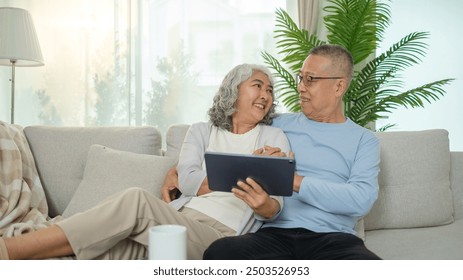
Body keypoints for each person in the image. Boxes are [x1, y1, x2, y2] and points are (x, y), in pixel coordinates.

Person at [0, 63, 290, 260]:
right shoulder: (202, 130)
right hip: (179, 219)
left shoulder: (274, 137)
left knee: (136, 201)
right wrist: (247, 170)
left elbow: (274, 207)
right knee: (106, 249)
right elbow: (187, 181)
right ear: (234, 90)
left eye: (269, 90)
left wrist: (262, 200)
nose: (266, 95)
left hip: (220, 236)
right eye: (257, 86)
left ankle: (8, 250)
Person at [164, 44, 381, 260]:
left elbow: (360, 200)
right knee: (219, 252)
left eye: (310, 79)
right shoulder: (277, 125)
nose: (301, 87)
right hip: (272, 235)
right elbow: (227, 136)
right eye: (300, 78)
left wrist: (291, 179)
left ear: (339, 87)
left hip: (334, 238)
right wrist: (176, 170)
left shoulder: (364, 140)